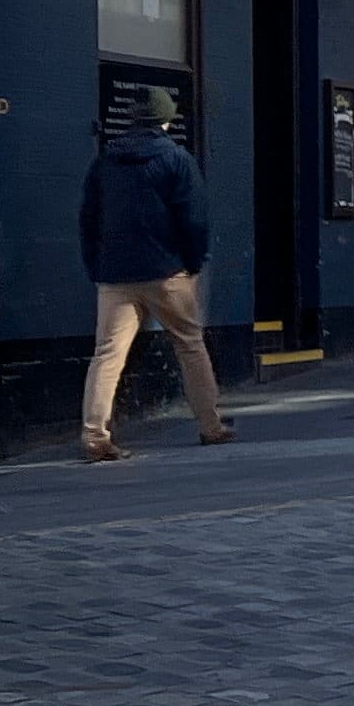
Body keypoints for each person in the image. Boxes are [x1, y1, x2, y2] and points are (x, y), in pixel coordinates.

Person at [78, 87, 226, 463]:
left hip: (116, 275)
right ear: (166, 117)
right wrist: (193, 263)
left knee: (107, 354)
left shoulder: (105, 161)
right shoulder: (176, 159)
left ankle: (95, 435)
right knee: (190, 344)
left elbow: (88, 218)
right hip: (167, 271)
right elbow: (194, 219)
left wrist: (96, 266)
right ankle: (211, 426)